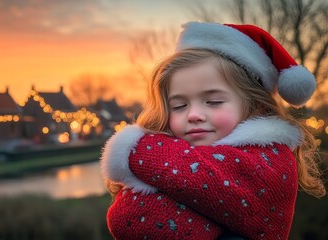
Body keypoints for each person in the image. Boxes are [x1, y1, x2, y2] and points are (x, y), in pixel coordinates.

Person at [100, 22, 326, 239]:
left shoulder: (269, 163)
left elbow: (134, 218)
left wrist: (134, 147)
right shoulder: (187, 165)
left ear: (254, 106)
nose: (193, 114)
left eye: (214, 101)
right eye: (179, 106)